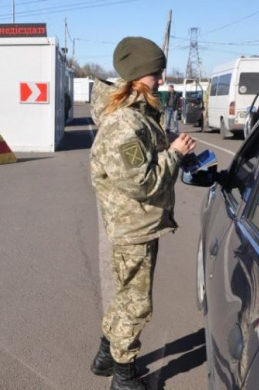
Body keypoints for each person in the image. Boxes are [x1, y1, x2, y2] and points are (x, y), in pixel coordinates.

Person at [88, 36, 196, 390]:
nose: (161, 81)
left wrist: (167, 143)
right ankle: (124, 377)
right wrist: (176, 154)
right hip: (134, 228)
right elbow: (144, 182)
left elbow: (143, 154)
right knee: (136, 305)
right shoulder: (123, 124)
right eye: (156, 74)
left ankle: (107, 356)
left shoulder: (136, 114)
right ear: (137, 75)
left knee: (126, 297)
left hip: (136, 223)